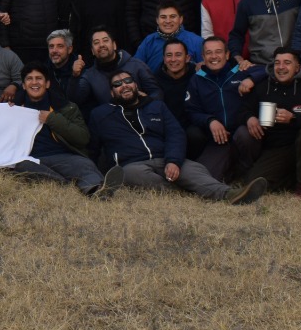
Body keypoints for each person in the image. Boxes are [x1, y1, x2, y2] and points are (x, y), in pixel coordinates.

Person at [89, 70, 266, 204]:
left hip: (166, 159)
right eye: (117, 84)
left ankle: (231, 195)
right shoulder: (101, 115)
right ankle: (184, 194)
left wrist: (173, 160)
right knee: (130, 173)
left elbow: (176, 133)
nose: (124, 85)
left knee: (195, 170)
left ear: (136, 86)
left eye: (128, 81)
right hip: (133, 164)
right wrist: (95, 180)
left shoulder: (156, 106)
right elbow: (93, 149)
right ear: (112, 93)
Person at [234, 48, 301, 198]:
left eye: (287, 63)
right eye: (277, 63)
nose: (281, 67)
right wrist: (249, 118)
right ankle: (293, 178)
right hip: (278, 149)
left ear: (297, 67)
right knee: (254, 181)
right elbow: (241, 111)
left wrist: (293, 118)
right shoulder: (263, 87)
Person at [9, 63, 103, 194]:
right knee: (22, 167)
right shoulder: (13, 110)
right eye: (29, 79)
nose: (34, 82)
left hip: (62, 157)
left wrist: (53, 119)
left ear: (47, 84)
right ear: (24, 86)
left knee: (84, 165)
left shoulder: (67, 107)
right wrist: (7, 112)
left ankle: (97, 190)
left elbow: (83, 138)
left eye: (39, 78)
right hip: (31, 160)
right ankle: (65, 187)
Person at [184, 36, 257, 181]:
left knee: (245, 134)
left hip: (242, 134)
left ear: (227, 54)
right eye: (209, 53)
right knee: (203, 177)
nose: (214, 56)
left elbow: (268, 70)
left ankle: (245, 172)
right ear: (203, 57)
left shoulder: (241, 71)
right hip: (218, 139)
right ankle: (228, 173)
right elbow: (191, 111)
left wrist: (252, 78)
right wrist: (210, 121)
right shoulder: (197, 79)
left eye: (218, 52)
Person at [78, 27, 159, 105]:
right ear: (92, 51)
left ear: (114, 45)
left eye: (105, 40)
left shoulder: (136, 65)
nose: (101, 45)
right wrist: (75, 77)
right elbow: (77, 99)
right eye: (96, 42)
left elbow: (156, 92)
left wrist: (145, 102)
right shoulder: (90, 75)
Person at [135, 2, 204, 71]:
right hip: (153, 81)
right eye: (163, 17)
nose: (168, 21)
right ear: (157, 20)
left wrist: (199, 75)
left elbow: (205, 73)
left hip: (188, 81)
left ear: (180, 19)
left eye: (172, 16)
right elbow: (136, 68)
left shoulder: (196, 41)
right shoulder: (149, 41)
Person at [42, 29, 87, 107]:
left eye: (60, 46)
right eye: (51, 46)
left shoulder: (81, 69)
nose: (54, 50)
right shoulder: (44, 70)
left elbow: (76, 101)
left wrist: (75, 76)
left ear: (69, 49)